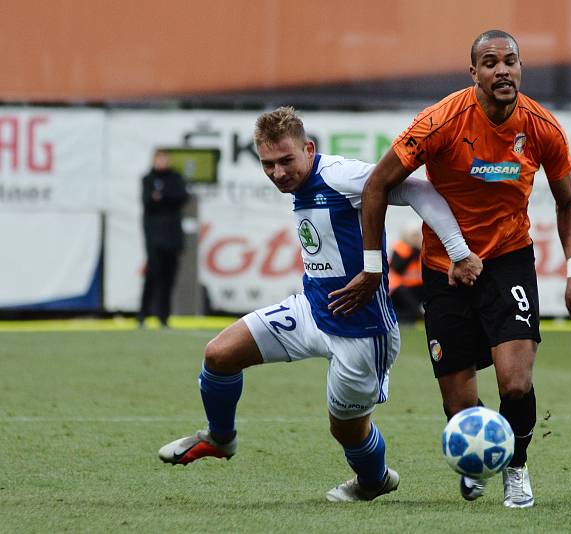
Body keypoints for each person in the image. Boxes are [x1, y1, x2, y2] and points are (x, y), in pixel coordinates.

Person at [157, 107, 480, 502]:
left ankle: (374, 481)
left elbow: (418, 188)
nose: (277, 173)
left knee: (345, 429)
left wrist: (459, 252)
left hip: (362, 333)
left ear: (308, 149)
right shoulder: (303, 184)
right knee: (219, 354)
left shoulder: (341, 176)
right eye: (268, 164)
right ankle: (221, 439)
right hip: (312, 309)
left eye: (286, 160)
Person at [329, 30, 571, 508]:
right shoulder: (439, 122)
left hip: (509, 260)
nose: (502, 70)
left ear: (520, 67)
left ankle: (516, 466)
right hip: (443, 268)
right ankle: (475, 461)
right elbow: (376, 187)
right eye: (490, 63)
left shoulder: (541, 128)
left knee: (515, 382)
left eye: (510, 61)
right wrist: (372, 267)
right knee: (459, 405)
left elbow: (568, 203)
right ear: (473, 72)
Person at [137, 149, 189, 328]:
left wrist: (161, 197)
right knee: (152, 276)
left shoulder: (175, 177)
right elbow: (148, 201)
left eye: (165, 159)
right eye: (159, 159)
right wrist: (164, 198)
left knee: (168, 278)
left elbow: (181, 197)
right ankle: (143, 315)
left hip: (172, 237)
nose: (162, 162)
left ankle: (163, 317)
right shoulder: (148, 179)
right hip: (154, 238)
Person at [387, 224, 424, 323]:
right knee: (403, 293)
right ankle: (418, 315)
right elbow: (398, 269)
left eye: (417, 236)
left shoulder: (422, 249)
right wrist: (412, 254)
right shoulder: (400, 248)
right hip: (400, 288)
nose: (415, 238)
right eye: (413, 236)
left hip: (417, 285)